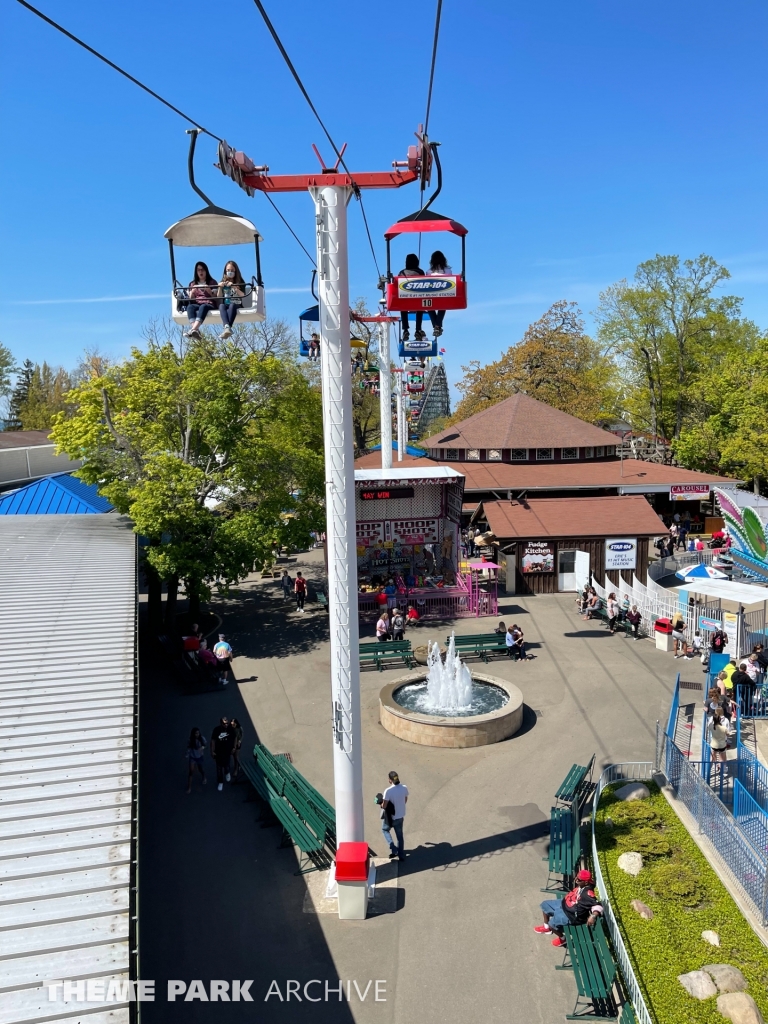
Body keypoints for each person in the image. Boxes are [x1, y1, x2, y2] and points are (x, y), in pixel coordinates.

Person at [535, 869, 603, 948]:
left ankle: (563, 939)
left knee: (552, 924)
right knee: (545, 905)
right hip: (564, 904)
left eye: (579, 879)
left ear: (586, 882)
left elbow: (598, 906)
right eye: (576, 877)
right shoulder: (582, 884)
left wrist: (593, 916)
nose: (576, 880)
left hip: (570, 915)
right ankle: (546, 928)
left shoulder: (588, 894)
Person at [184, 261, 218, 339]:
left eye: (202, 269)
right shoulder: (192, 284)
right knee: (190, 307)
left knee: (203, 306)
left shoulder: (212, 282)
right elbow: (191, 298)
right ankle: (195, 330)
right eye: (198, 270)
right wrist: (192, 291)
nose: (200, 272)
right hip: (197, 303)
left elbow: (216, 297)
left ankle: (193, 329)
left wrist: (209, 291)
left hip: (209, 303)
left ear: (206, 271)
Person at [381, 770, 408, 862]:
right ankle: (401, 856)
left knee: (385, 830)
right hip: (400, 816)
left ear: (390, 780)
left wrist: (381, 804)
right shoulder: (404, 787)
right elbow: (405, 800)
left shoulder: (388, 791)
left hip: (390, 817)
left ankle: (393, 848)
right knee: (400, 837)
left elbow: (384, 806)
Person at [398, 254, 426, 342]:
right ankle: (418, 330)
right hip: (417, 299)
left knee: (403, 308)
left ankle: (405, 329)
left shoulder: (402, 273)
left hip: (406, 299)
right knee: (420, 309)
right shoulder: (420, 272)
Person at [426, 250, 452, 337]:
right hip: (444, 294)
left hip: (432, 295)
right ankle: (437, 326)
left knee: (429, 307)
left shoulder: (429, 272)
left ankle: (436, 326)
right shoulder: (448, 271)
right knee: (442, 307)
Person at [217, 260, 245, 339]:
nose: (230, 272)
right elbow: (219, 296)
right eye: (228, 270)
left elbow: (243, 295)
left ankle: (227, 328)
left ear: (236, 271)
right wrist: (220, 287)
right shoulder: (223, 282)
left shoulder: (240, 282)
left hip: (236, 303)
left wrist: (234, 287)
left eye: (232, 270)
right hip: (226, 303)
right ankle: (227, 327)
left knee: (232, 305)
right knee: (221, 306)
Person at [210, 716, 236, 791]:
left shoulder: (230, 729)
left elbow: (235, 738)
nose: (226, 725)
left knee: (227, 765)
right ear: (221, 723)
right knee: (219, 768)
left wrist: (234, 747)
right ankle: (220, 782)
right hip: (218, 752)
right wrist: (212, 751)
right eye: (224, 724)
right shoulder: (217, 730)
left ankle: (227, 772)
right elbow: (213, 741)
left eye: (227, 723)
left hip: (227, 751)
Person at [186, 727, 207, 792]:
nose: (197, 734)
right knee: (191, 771)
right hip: (193, 757)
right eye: (196, 733)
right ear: (193, 734)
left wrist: (202, 748)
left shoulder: (202, 738)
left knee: (200, 769)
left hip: (199, 757)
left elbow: (205, 745)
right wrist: (187, 754)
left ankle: (204, 776)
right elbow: (189, 748)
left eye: (198, 733)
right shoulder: (190, 740)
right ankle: (189, 787)